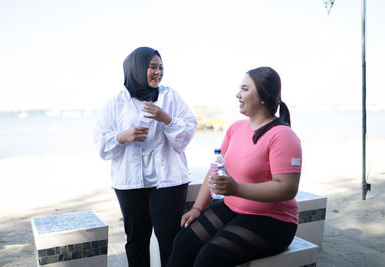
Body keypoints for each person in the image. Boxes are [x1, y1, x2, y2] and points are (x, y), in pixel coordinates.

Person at [166, 67, 302, 267]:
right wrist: (197, 207)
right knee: (183, 241)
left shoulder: (283, 136)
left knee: (210, 258)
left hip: (273, 220)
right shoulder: (236, 128)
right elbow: (215, 169)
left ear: (263, 96)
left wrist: (236, 188)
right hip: (233, 208)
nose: (238, 94)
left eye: (245, 89)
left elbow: (287, 188)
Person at [94, 47, 197, 267]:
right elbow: (102, 146)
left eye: (161, 67)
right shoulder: (116, 102)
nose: (158, 72)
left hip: (169, 181)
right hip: (130, 183)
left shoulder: (171, 96)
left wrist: (166, 119)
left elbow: (185, 138)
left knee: (170, 240)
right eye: (152, 66)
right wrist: (123, 137)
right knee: (136, 241)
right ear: (137, 68)